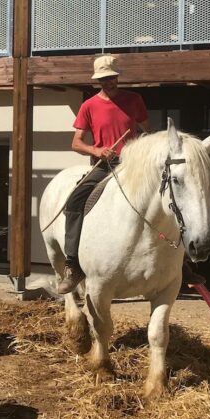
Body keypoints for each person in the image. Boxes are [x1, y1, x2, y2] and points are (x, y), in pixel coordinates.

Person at [56, 54, 149, 294]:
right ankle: (73, 265)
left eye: (112, 78)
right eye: (104, 79)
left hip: (134, 164)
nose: (109, 82)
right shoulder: (89, 106)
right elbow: (76, 143)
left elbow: (148, 130)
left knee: (165, 197)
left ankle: (180, 263)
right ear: (98, 81)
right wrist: (96, 150)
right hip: (105, 165)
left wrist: (145, 144)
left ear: (117, 77)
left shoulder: (134, 100)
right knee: (75, 201)